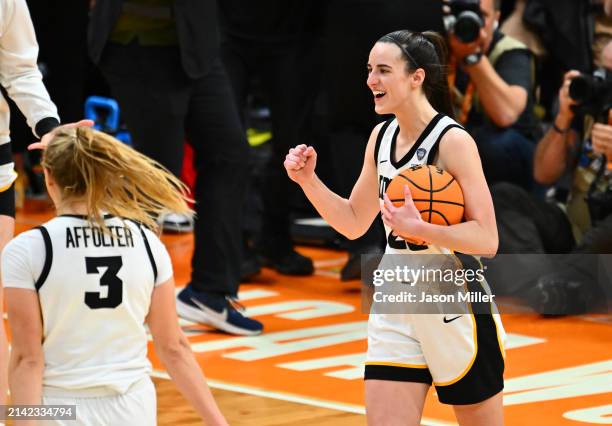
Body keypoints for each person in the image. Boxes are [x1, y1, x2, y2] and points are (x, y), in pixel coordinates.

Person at [284, 30, 505, 425]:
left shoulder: (453, 142)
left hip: (453, 300)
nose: (372, 80)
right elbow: (353, 222)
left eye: (384, 70)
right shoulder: (380, 137)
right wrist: (308, 181)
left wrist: (425, 230)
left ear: (416, 77)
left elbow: (487, 239)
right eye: (370, 70)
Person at [1, 127, 227, 426]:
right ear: (104, 176)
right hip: (133, 406)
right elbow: (174, 348)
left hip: (60, 408)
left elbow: (27, 360)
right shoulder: (147, 242)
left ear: (49, 178)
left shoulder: (27, 249)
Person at [88, 0, 263, 335]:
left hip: (197, 46)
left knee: (231, 156)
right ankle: (124, 301)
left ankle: (209, 292)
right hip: (138, 44)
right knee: (157, 179)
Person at [488, 41, 612, 314]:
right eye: (604, 71)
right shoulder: (593, 106)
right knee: (504, 197)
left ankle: (567, 282)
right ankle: (551, 286)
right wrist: (564, 118)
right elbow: (543, 174)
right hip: (575, 228)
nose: (606, 82)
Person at [218, 0, 321, 277]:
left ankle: (274, 237)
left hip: (293, 31)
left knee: (293, 142)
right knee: (229, 140)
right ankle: (234, 242)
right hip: (226, 30)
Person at [448, 0, 539, 190]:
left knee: (493, 145)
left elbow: (506, 114)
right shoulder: (438, 42)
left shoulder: (512, 52)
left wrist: (472, 56)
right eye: (461, 11)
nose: (468, 19)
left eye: (481, 15)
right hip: (455, 142)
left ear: (497, 18)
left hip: (511, 158)